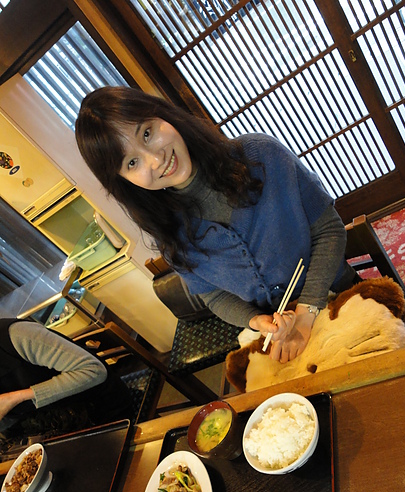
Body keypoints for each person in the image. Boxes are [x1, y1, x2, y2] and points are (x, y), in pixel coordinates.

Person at [75, 86, 359, 363]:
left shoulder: (260, 156)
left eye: (147, 133)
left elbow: (328, 230)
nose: (156, 159)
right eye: (132, 162)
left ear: (163, 114)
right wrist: (254, 320)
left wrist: (308, 311)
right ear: (124, 181)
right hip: (282, 329)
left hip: (340, 296)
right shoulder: (169, 232)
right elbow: (213, 295)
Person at [0, 318, 132, 440]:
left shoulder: (18, 335)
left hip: (103, 410)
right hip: (58, 427)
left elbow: (94, 370)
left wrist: (15, 398)